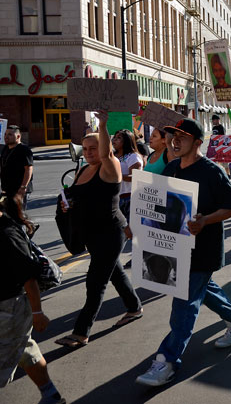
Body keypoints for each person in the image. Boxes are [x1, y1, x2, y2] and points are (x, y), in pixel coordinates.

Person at [136, 118, 231, 387]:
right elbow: (157, 198)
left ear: (197, 142)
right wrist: (138, 223)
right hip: (176, 248)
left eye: (182, 137)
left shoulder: (212, 171)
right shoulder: (173, 166)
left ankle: (166, 361)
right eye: (172, 136)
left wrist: (203, 221)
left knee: (184, 308)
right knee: (203, 292)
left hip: (203, 251)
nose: (175, 141)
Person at [55, 111, 142, 349]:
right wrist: (66, 203)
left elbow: (106, 153)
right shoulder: (83, 169)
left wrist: (102, 126)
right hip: (90, 233)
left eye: (93, 147)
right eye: (84, 148)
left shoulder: (110, 167)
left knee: (95, 282)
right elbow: (73, 194)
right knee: (115, 272)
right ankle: (134, 307)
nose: (88, 152)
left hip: (110, 233)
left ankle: (81, 332)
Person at [0, 196, 65, 404]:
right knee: (25, 350)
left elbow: (29, 279)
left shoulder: (7, 234)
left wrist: (37, 313)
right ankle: (50, 395)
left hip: (10, 307)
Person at [112, 129, 143, 236]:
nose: (114, 140)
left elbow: (135, 176)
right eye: (114, 137)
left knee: (131, 232)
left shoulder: (132, 156)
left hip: (129, 198)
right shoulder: (112, 156)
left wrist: (117, 176)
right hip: (116, 198)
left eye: (118, 138)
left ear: (126, 141)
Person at [0, 125, 33, 211]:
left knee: (18, 216)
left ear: (18, 136)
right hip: (6, 189)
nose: (6, 137)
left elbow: (28, 169)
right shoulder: (5, 149)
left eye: (10, 134)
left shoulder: (24, 150)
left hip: (19, 189)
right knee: (7, 216)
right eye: (5, 134)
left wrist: (23, 187)